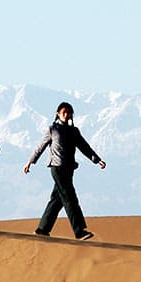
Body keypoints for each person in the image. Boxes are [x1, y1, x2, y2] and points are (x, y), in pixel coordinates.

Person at [22, 101, 106, 240]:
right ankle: (79, 231)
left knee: (57, 199)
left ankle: (42, 229)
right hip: (57, 168)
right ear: (58, 114)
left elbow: (84, 147)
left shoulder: (74, 131)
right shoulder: (52, 129)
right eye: (64, 112)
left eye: (69, 112)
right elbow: (40, 147)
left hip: (69, 169)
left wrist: (96, 160)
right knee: (70, 198)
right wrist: (30, 162)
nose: (66, 115)